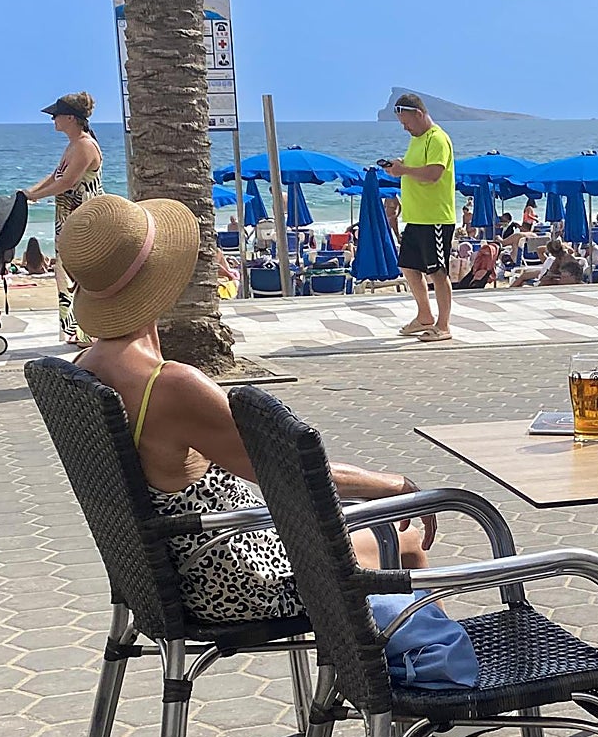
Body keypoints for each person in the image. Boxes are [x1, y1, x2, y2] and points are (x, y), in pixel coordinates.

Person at [55, 195, 433, 623]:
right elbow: (288, 474)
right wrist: (394, 486)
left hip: (170, 578)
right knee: (406, 539)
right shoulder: (169, 385)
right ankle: (431, 679)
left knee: (361, 528)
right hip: (239, 580)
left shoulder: (83, 371)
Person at [21, 91, 105, 344]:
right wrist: (30, 192)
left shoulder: (85, 145)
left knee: (81, 274)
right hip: (68, 219)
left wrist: (37, 196)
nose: (53, 120)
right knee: (66, 274)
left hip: (83, 219)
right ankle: (75, 330)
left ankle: (88, 331)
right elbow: (55, 175)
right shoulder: (73, 145)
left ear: (70, 118)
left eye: (56, 116)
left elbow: (68, 182)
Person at [385, 94, 455, 343]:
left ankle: (443, 325)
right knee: (408, 266)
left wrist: (404, 170)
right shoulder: (416, 140)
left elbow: (434, 173)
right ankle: (424, 315)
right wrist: (400, 166)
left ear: (418, 113)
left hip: (435, 217)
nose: (405, 127)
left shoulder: (437, 139)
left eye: (407, 122)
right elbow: (417, 169)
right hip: (416, 218)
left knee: (437, 270)